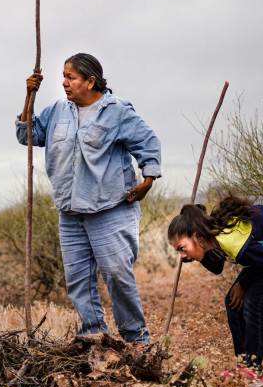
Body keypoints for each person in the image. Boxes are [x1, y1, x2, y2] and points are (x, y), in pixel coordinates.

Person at [17, 53, 162, 344]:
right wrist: (29, 96)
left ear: (90, 81)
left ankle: (137, 341)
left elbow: (147, 143)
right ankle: (94, 338)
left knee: (117, 273)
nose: (64, 82)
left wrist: (148, 180)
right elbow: (28, 136)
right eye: (64, 76)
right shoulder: (58, 110)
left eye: (71, 77)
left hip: (110, 208)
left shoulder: (116, 111)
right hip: (70, 211)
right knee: (78, 280)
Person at [167, 196, 263, 381]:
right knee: (232, 302)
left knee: (252, 302)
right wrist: (194, 257)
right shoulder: (212, 234)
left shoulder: (231, 241)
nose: (182, 255)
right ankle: (243, 365)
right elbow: (217, 267)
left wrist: (243, 283)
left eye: (182, 248)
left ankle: (254, 372)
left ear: (197, 237)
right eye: (179, 251)